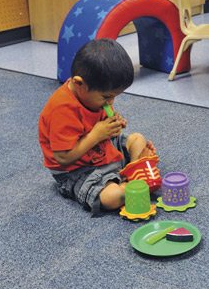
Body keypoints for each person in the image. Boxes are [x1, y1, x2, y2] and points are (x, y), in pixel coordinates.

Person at [38, 38, 156, 213]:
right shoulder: (61, 109)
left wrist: (114, 123)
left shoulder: (91, 95)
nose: (110, 102)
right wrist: (96, 135)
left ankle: (133, 172)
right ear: (79, 84)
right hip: (77, 168)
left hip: (100, 147)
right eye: (106, 97)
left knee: (137, 139)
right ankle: (131, 183)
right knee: (111, 198)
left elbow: (99, 120)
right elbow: (62, 158)